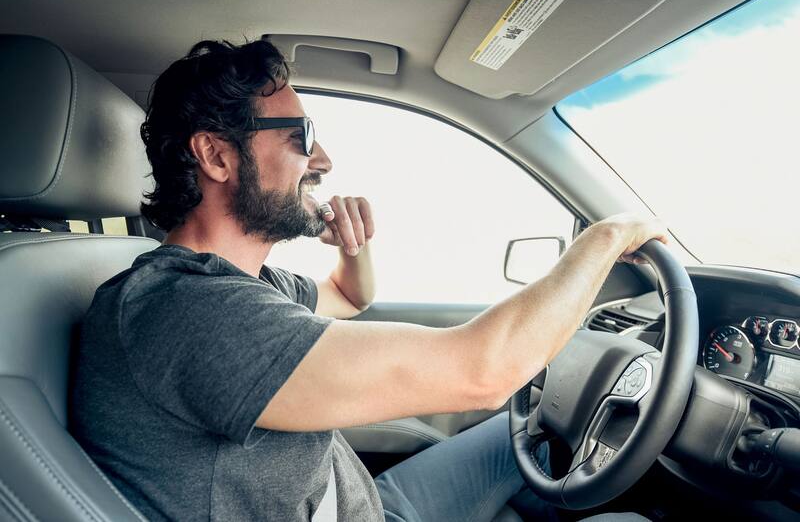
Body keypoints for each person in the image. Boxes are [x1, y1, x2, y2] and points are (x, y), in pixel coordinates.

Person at [70, 38, 664, 522]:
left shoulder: (246, 286)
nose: (324, 160)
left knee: (538, 437)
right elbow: (484, 373)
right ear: (216, 156)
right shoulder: (190, 311)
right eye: (302, 136)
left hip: (368, 503)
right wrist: (607, 236)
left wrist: (353, 248)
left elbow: (350, 297)